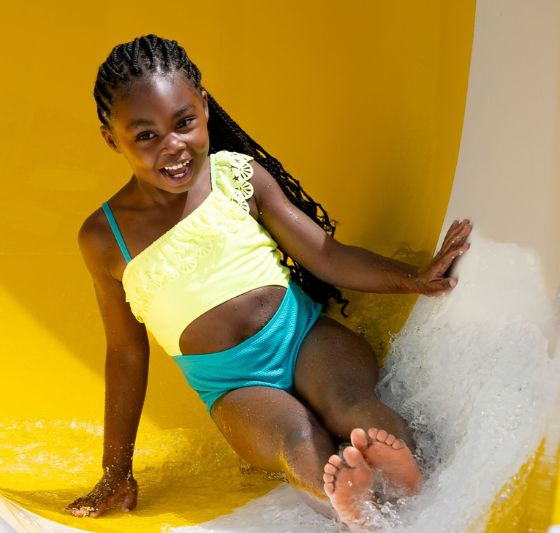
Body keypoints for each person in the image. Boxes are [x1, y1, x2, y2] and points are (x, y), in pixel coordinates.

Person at [67, 34, 471, 529]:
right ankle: (352, 507)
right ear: (112, 138)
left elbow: (327, 256)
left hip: (304, 337)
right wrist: (116, 469)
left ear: (205, 109)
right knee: (296, 439)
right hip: (236, 387)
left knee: (353, 405)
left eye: (184, 123)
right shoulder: (105, 238)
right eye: (145, 135)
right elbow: (126, 354)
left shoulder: (238, 176)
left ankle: (408, 477)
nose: (172, 146)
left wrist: (414, 278)